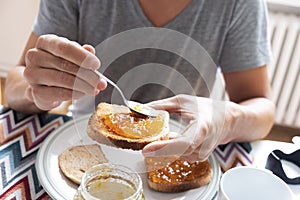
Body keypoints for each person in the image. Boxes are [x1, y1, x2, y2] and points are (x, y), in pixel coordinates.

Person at [4, 0, 275, 161]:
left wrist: (225, 117)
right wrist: (35, 89)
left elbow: (261, 108)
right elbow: (15, 85)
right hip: (85, 146)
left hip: (182, 154)